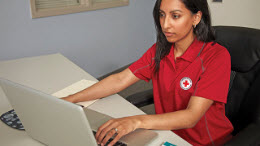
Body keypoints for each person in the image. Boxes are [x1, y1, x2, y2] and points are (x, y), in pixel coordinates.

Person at [63, 0, 234, 145]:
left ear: (196, 17)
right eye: (162, 15)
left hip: (206, 142)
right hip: (167, 134)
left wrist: (136, 121)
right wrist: (70, 99)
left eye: (175, 16)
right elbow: (121, 79)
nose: (165, 24)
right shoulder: (160, 50)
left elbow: (192, 116)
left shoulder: (216, 56)